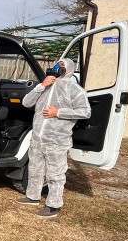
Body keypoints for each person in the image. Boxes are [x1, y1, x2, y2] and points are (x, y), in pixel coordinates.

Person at [17, 58, 90, 218]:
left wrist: (58, 113)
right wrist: (41, 85)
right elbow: (26, 103)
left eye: (61, 65)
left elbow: (85, 112)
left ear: (69, 69)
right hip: (38, 137)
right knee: (35, 169)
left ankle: (53, 206)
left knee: (55, 174)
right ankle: (32, 197)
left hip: (57, 140)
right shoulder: (46, 85)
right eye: (57, 63)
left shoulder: (75, 90)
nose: (58, 66)